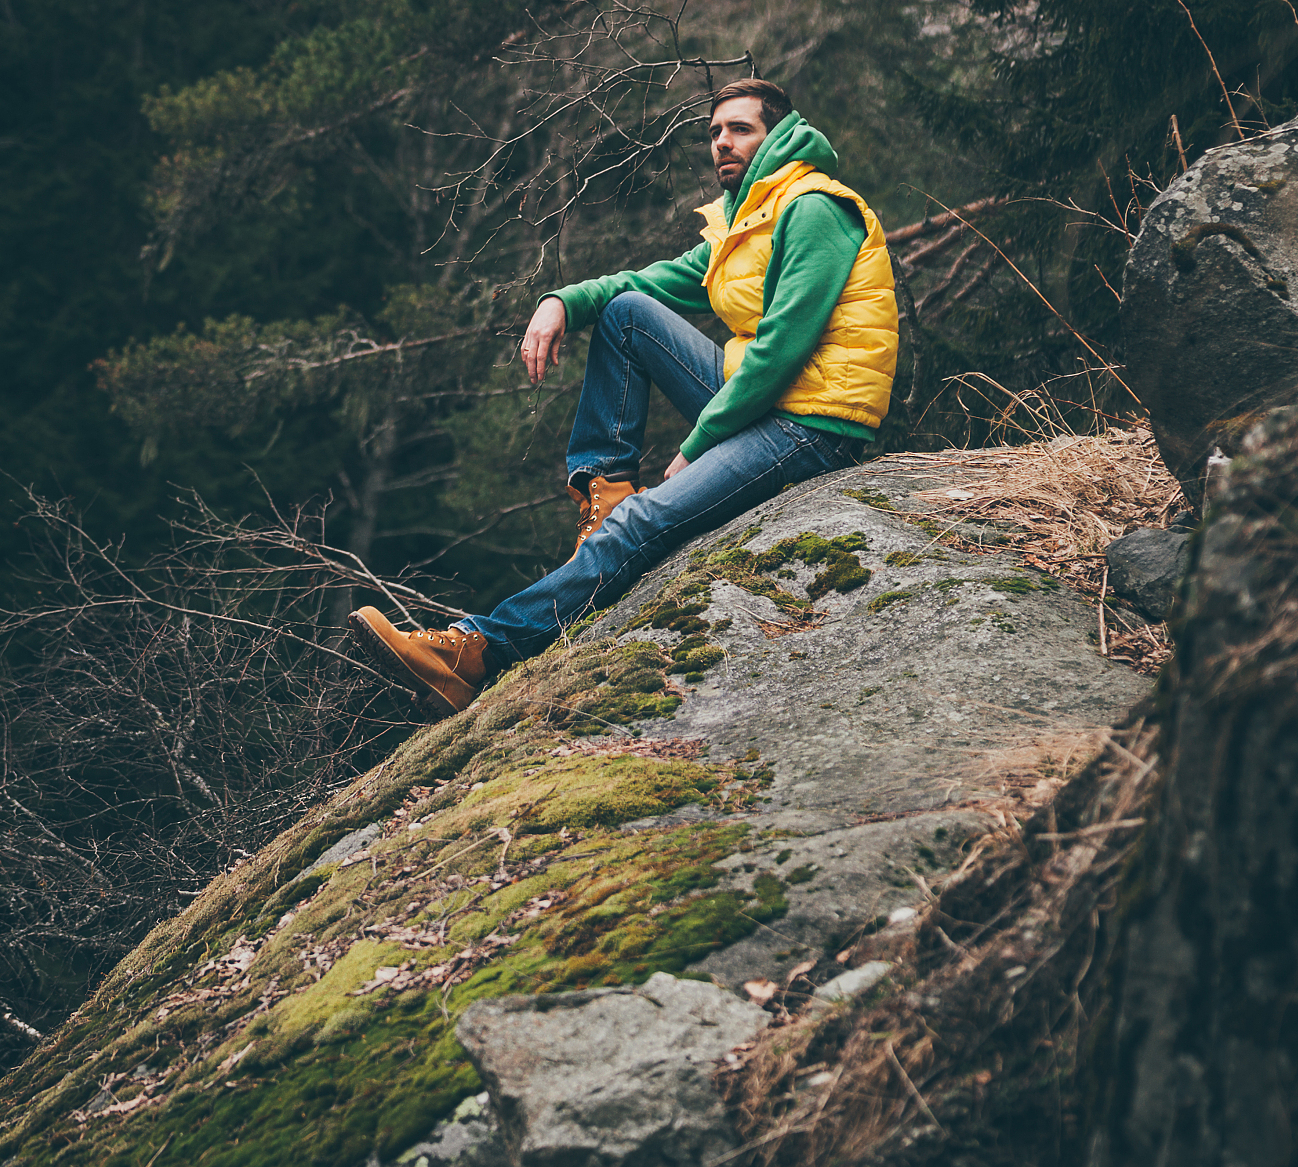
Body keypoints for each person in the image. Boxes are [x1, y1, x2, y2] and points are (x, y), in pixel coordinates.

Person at [349, 77, 899, 714]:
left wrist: (699, 443)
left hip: (814, 426)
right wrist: (560, 302)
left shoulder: (814, 208)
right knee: (629, 313)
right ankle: (603, 492)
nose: (722, 142)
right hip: (773, 406)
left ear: (777, 135)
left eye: (740, 129)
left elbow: (783, 348)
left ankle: (473, 652)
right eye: (714, 132)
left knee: (648, 519)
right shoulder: (745, 225)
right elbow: (648, 284)